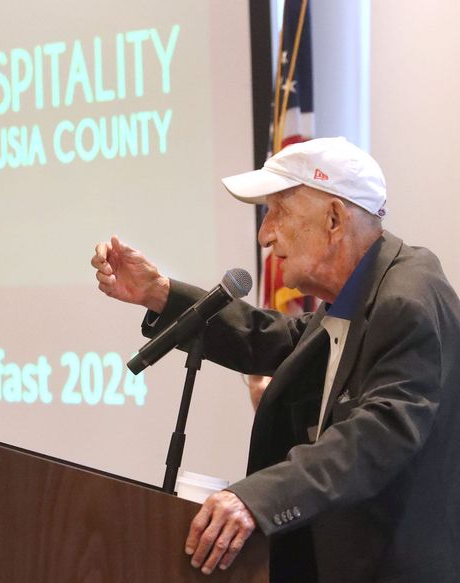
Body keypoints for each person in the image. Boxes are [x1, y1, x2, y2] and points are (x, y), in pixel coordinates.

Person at [91, 137, 460, 582]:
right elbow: (281, 340)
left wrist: (257, 498)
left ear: (334, 219)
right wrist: (160, 293)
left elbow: (377, 433)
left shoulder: (408, 299)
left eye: (278, 212)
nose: (265, 234)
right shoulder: (361, 294)